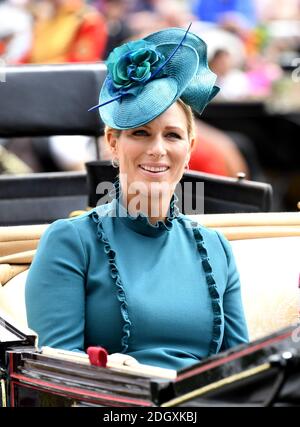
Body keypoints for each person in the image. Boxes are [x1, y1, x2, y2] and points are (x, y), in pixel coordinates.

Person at [25, 26, 249, 371]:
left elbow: (245, 370)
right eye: (140, 132)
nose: (157, 150)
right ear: (113, 143)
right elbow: (58, 378)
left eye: (172, 135)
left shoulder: (216, 247)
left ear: (189, 149)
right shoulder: (70, 241)